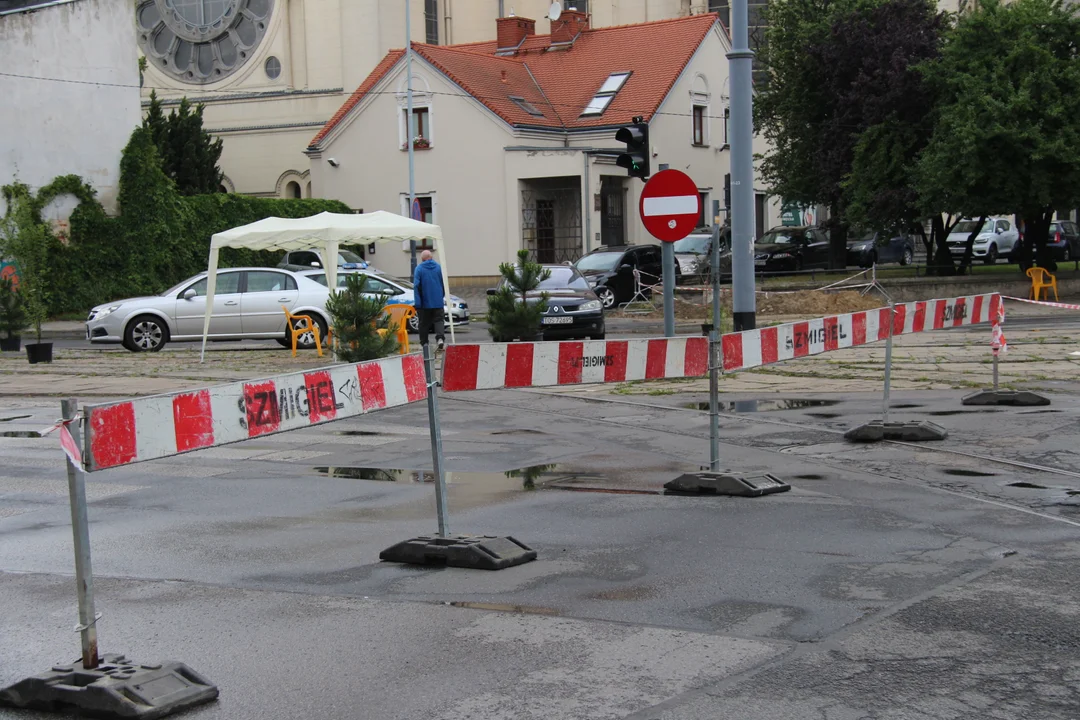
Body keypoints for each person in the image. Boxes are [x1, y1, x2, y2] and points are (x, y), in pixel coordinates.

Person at [412, 249, 445, 352]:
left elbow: (416, 286)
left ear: (422, 259)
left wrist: (418, 303)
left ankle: (424, 343)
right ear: (431, 257)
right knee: (439, 320)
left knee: (423, 323)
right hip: (438, 301)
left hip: (424, 303)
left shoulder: (419, 269)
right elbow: (442, 283)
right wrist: (441, 296)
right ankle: (440, 338)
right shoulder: (439, 267)